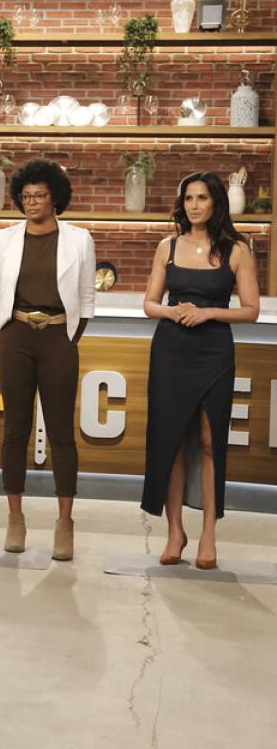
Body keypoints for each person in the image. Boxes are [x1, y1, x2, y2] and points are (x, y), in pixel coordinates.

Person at [141, 171, 260, 570]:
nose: (194, 205)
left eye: (202, 198)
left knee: (211, 444)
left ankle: (209, 532)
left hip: (213, 352)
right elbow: (150, 304)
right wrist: (174, 312)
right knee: (171, 441)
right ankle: (175, 532)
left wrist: (208, 312)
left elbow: (251, 309)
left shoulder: (237, 249)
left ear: (216, 203)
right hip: (170, 349)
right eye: (188, 198)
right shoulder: (167, 246)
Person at [0, 158, 95, 560]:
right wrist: (9, 329)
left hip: (59, 338)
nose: (32, 203)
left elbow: (86, 298)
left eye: (40, 196)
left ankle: (65, 523)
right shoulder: (5, 238)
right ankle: (15, 518)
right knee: (15, 429)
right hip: (15, 336)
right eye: (26, 196)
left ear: (55, 198)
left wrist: (67, 338)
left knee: (62, 433)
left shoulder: (80, 239)